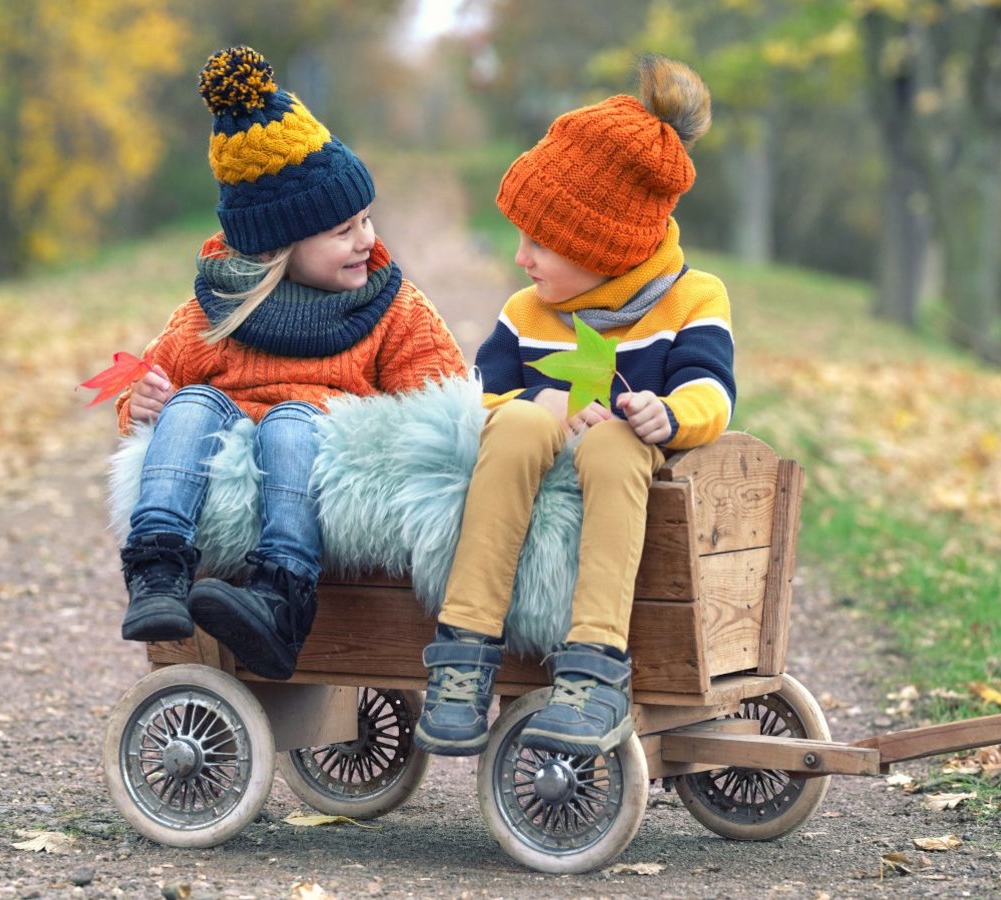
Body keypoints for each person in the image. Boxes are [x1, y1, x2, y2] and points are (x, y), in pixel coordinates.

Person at [413, 55, 735, 757]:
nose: (521, 257)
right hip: (529, 461)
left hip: (622, 465)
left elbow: (713, 390)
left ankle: (595, 664)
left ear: (606, 245)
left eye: (542, 243)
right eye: (520, 238)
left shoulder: (691, 300)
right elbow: (485, 396)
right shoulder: (527, 312)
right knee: (523, 417)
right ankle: (465, 647)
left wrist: (669, 416)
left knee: (618, 441)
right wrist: (546, 402)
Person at [114, 46, 466, 682]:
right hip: (226, 458)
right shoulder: (217, 311)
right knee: (191, 402)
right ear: (279, 244)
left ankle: (281, 596)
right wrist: (139, 403)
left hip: (318, 456)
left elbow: (442, 404)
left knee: (290, 422)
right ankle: (158, 569)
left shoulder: (390, 307)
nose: (366, 239)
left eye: (366, 219)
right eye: (341, 231)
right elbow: (154, 385)